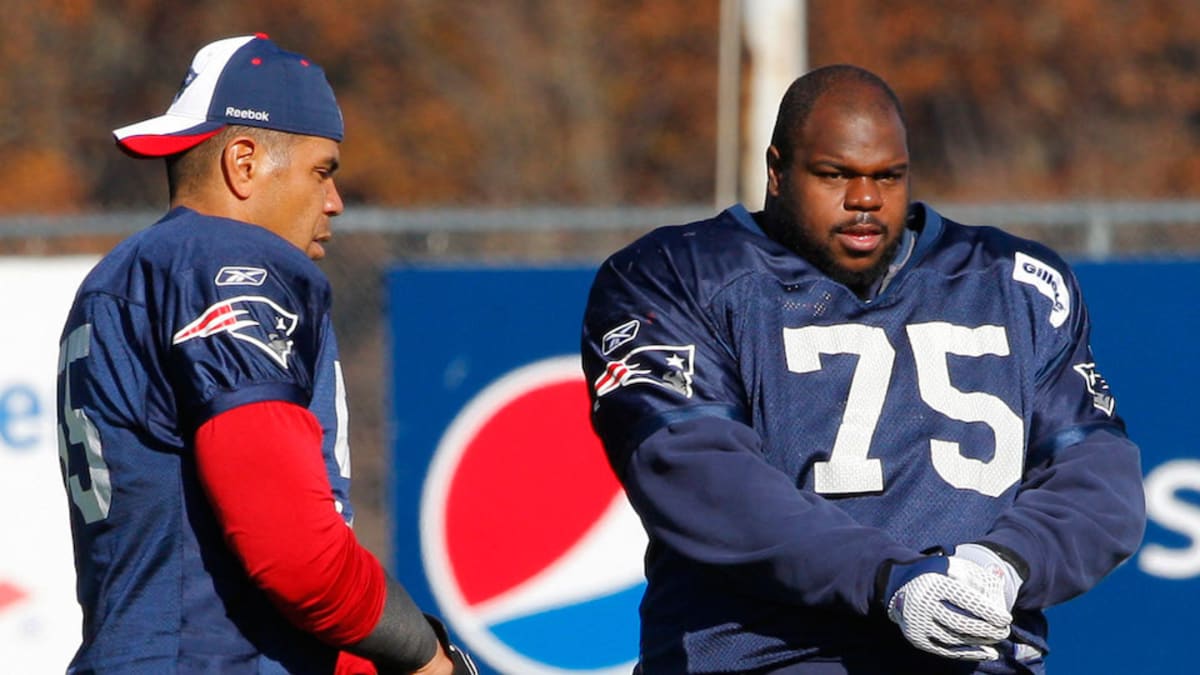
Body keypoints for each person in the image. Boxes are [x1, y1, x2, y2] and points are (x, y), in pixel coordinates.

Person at [580, 64, 1146, 674]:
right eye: (836, 175)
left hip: (970, 660)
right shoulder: (675, 276)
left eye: (888, 177)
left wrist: (1004, 566)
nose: (866, 200)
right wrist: (890, 580)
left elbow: (1096, 477)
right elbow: (700, 477)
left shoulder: (1016, 282)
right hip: (772, 659)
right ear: (776, 171)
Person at [55, 33, 476, 675]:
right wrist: (424, 655)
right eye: (322, 170)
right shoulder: (227, 257)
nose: (334, 201)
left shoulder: (126, 272)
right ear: (244, 162)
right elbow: (293, 551)